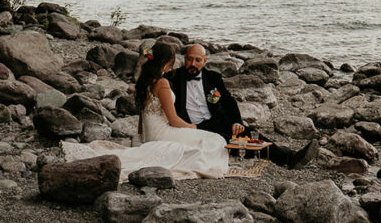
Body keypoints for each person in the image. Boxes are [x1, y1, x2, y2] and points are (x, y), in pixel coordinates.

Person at [62, 43, 228, 180]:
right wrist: (193, 127)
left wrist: (141, 136)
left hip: (150, 134)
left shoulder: (145, 80)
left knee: (206, 141)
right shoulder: (162, 83)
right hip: (163, 133)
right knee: (215, 140)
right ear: (168, 63)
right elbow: (173, 120)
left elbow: (143, 114)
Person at [166, 43, 318, 168]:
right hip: (193, 128)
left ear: (204, 61)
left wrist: (236, 122)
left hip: (216, 122)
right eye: (189, 59)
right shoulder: (173, 78)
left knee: (249, 133)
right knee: (232, 143)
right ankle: (285, 156)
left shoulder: (213, 78)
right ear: (184, 59)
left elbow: (228, 101)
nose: (192, 64)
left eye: (197, 60)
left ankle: (288, 157)